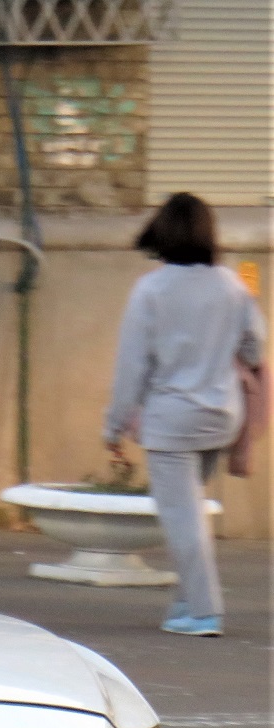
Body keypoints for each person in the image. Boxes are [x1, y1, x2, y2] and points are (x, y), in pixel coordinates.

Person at [104, 193, 267, 637]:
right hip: (221, 416)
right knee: (190, 512)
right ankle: (184, 604)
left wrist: (114, 423)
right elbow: (254, 346)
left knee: (182, 517)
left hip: (172, 418)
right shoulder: (232, 286)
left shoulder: (152, 289)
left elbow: (132, 363)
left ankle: (203, 611)